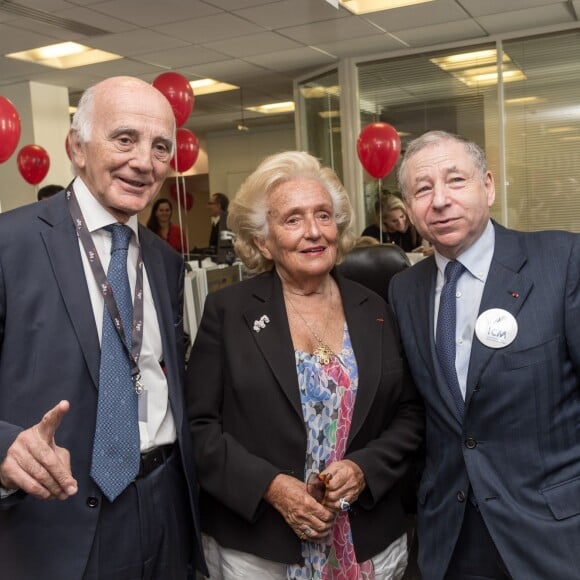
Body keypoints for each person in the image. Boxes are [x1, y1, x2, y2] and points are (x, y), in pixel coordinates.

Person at [0, 76, 206, 579]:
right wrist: (3, 445)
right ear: (76, 147)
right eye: (124, 139)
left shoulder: (165, 261)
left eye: (160, 147)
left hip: (164, 506)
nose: (144, 161)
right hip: (54, 519)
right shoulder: (10, 245)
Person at [186, 151, 424, 579]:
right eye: (292, 220)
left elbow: (409, 414)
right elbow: (199, 426)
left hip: (366, 535)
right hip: (261, 545)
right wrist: (273, 488)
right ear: (263, 241)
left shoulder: (376, 308)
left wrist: (364, 469)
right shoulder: (228, 311)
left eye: (323, 216)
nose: (313, 232)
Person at [388, 130, 580, 579]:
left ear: (488, 186)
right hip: (451, 535)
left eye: (455, 180)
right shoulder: (404, 289)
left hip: (552, 530)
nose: (439, 200)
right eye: (422, 189)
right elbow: (419, 409)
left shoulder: (561, 260)